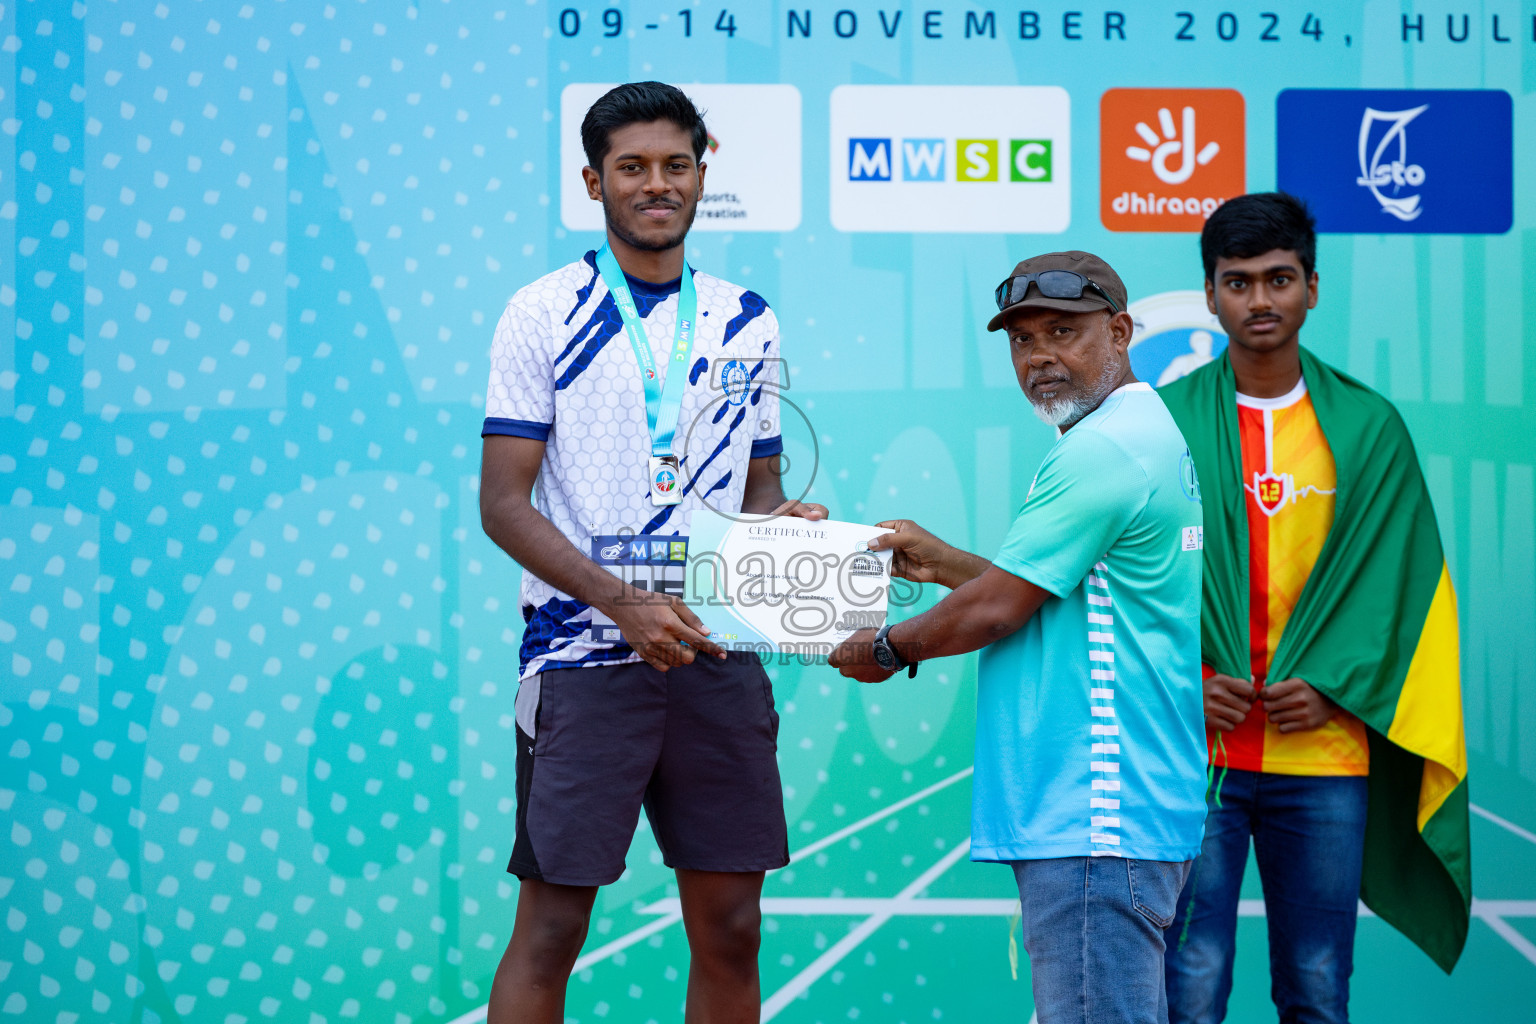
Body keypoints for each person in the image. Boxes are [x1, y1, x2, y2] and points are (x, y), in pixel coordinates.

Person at [478, 82, 825, 1024]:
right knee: (551, 931)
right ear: (594, 181)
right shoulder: (542, 311)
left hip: (715, 651)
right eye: (632, 167)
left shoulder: (748, 317)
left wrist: (786, 525)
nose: (656, 185)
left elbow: (752, 497)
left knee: (732, 926)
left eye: (676, 166)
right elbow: (503, 506)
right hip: (584, 661)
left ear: (702, 175)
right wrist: (622, 600)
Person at [831, 251, 1208, 1024]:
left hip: (1095, 813)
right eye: (1023, 340)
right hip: (1113, 813)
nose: (1040, 357)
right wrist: (948, 565)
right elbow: (1063, 594)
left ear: (1122, 331)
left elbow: (1001, 608)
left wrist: (885, 648)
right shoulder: (1134, 433)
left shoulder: (1104, 449)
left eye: (1064, 332)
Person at [1159, 192, 1470, 1024]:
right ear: (1211, 293)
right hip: (1199, 755)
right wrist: (1186, 679)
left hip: (1326, 755)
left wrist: (1337, 685)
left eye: (1279, 279)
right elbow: (1121, 584)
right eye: (1238, 282)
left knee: (1318, 986)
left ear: (1312, 288)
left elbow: (1405, 596)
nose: (1259, 301)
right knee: (1188, 986)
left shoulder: (1369, 428)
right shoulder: (1163, 426)